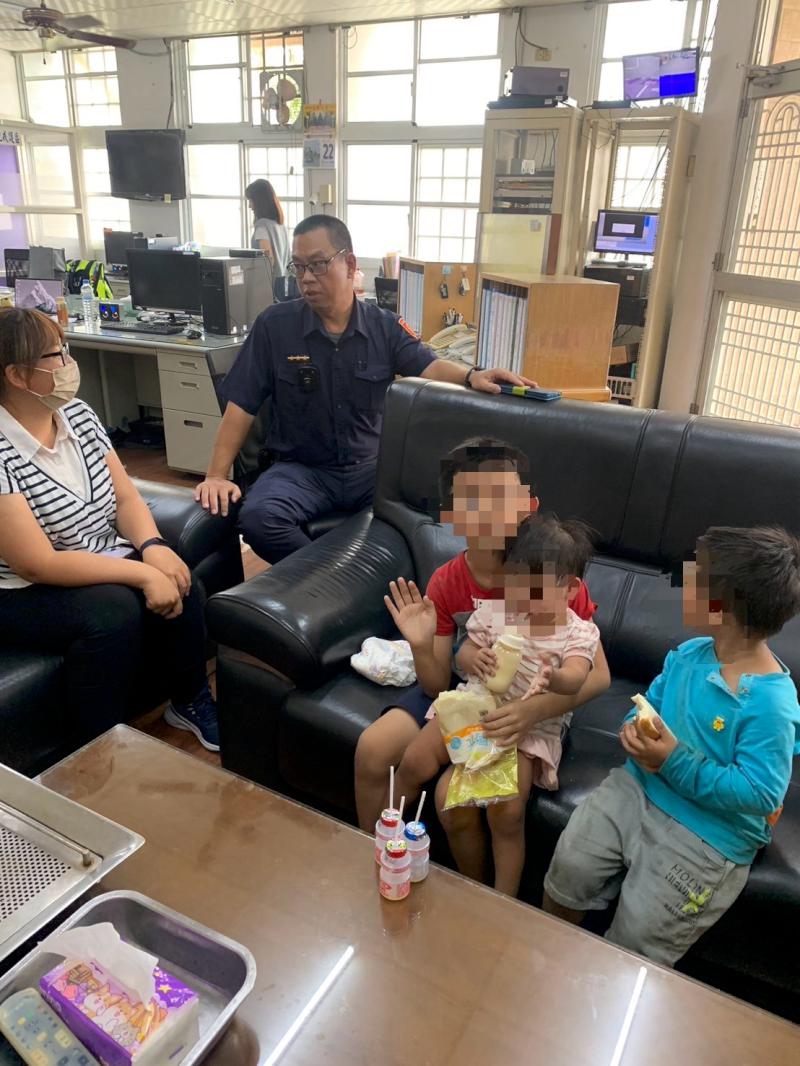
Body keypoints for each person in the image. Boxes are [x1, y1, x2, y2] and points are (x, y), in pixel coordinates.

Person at [194, 217, 535, 564]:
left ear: (350, 264)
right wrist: (216, 476)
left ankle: (336, 577)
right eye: (298, 267)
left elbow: (427, 365)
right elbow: (241, 405)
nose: (307, 277)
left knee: (438, 514)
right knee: (258, 519)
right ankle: (332, 578)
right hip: (302, 470)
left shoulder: (384, 326)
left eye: (318, 264)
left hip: (370, 471)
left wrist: (472, 375)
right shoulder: (274, 326)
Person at [543, 525, 800, 966]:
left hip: (709, 834)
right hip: (638, 789)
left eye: (694, 577)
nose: (681, 584)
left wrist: (672, 761)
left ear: (722, 607)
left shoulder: (772, 703)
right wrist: (633, 728)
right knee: (569, 869)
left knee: (636, 942)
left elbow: (760, 794)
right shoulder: (690, 653)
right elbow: (652, 703)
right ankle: (543, 954)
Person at [354, 437, 610, 833]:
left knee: (453, 795)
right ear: (451, 516)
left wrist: (535, 710)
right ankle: (374, 849)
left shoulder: (549, 579)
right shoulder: (447, 582)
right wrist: (421, 646)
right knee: (372, 748)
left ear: (528, 507)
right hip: (462, 688)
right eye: (472, 501)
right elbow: (437, 683)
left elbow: (600, 676)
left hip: (527, 699)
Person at [0, 308, 219, 750]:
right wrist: (141, 573)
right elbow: (37, 563)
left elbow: (124, 498)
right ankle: (95, 745)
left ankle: (190, 700)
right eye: (57, 355)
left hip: (97, 553)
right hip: (21, 588)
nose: (69, 363)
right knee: (112, 612)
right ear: (17, 375)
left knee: (181, 579)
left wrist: (153, 546)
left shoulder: (78, 415)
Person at [394, 514, 600, 896]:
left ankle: (503, 897)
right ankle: (387, 827)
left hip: (527, 727)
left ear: (570, 589)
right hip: (475, 704)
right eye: (514, 584)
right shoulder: (498, 612)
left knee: (506, 812)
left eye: (534, 590)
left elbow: (577, 676)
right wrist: (472, 657)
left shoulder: (578, 632)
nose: (521, 598)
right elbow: (464, 651)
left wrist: (554, 677)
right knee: (415, 759)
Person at [246, 178, 290, 275]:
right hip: (284, 280)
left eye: (251, 201)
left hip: (269, 281)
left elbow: (268, 260)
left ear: (260, 201)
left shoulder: (262, 226)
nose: (249, 206)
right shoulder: (280, 224)